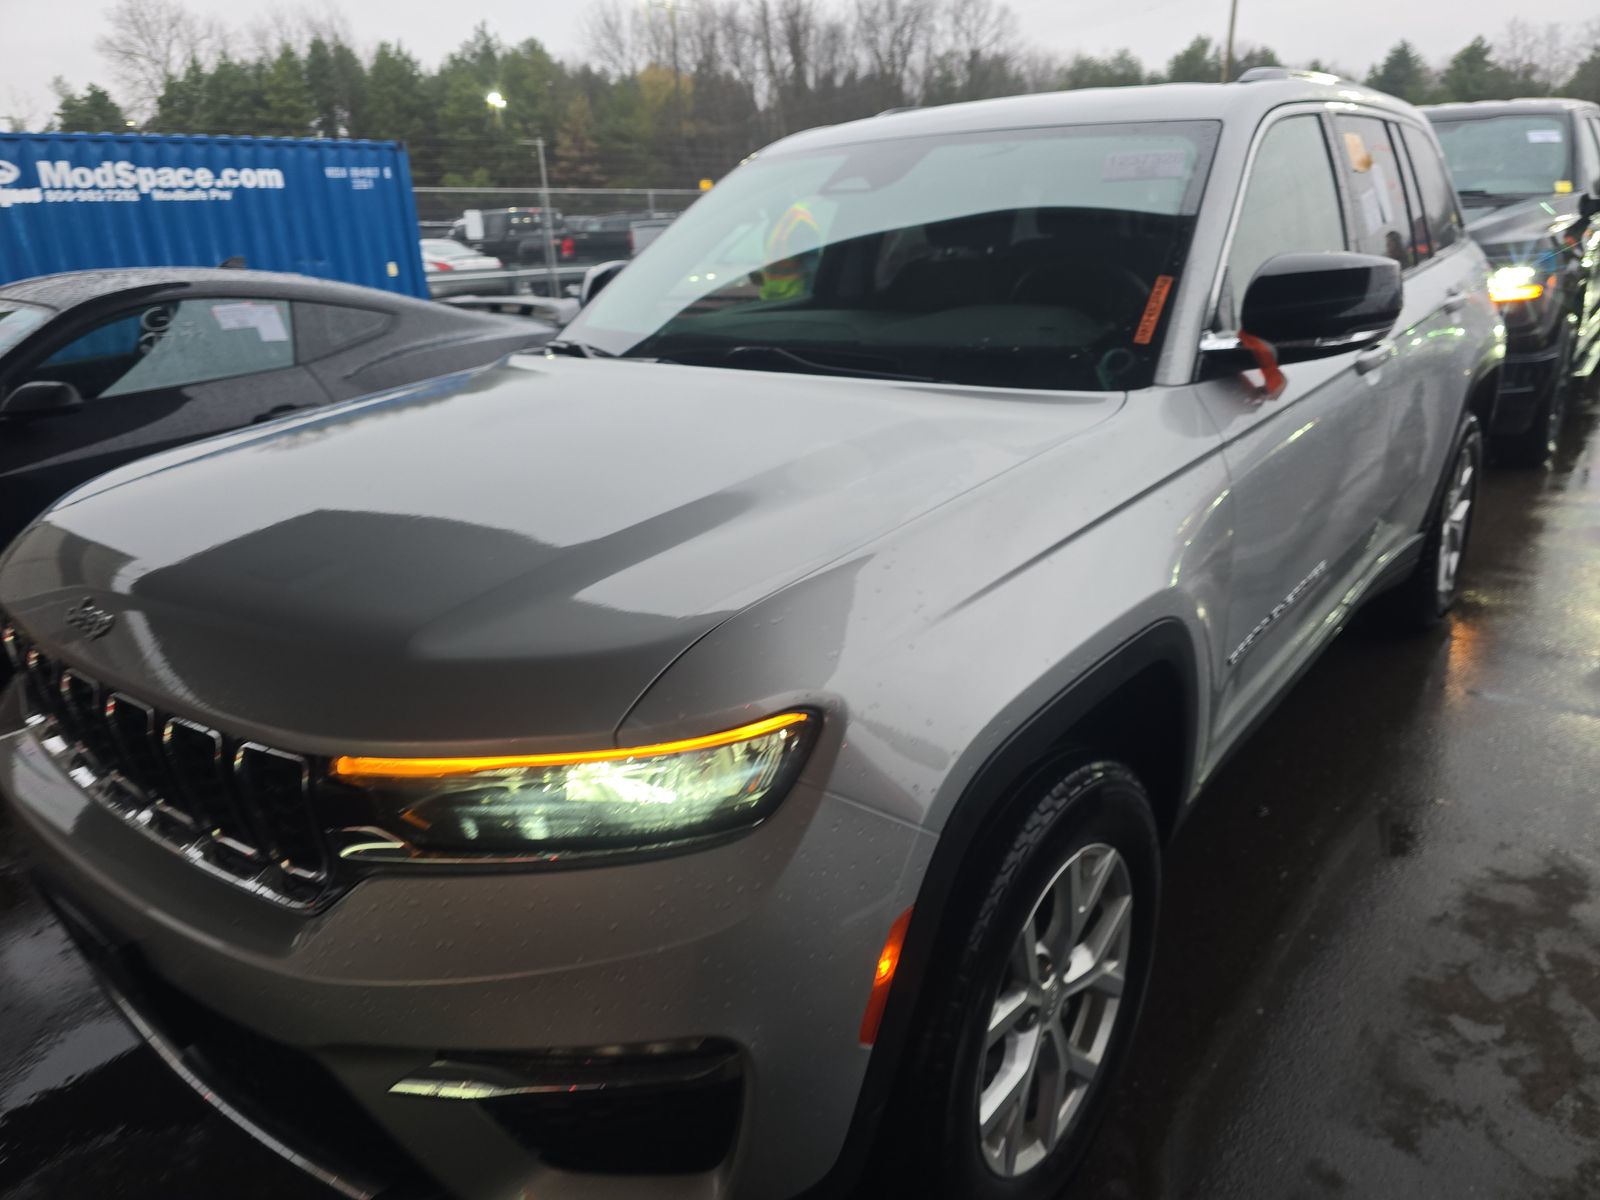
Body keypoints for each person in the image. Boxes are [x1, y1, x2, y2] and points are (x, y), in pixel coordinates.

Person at [756, 202, 824, 302]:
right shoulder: (777, 220)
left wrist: (808, 301)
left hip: (794, 300)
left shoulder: (799, 224)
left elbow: (812, 270)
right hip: (774, 300)